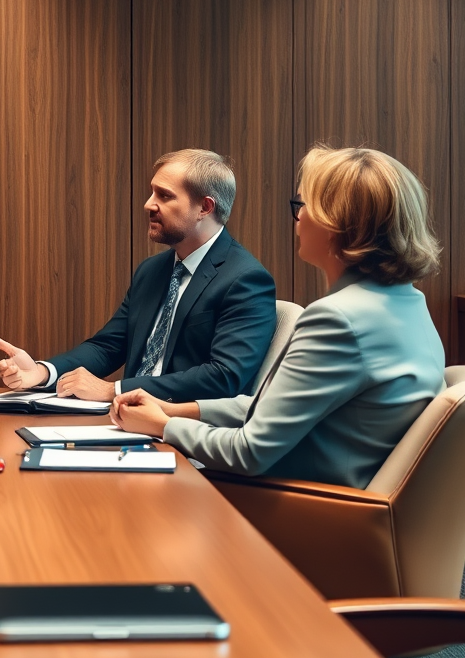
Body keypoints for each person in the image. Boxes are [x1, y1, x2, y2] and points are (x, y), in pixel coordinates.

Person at [110, 146, 445, 489]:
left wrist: (164, 427)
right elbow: (271, 409)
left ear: (340, 224)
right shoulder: (409, 303)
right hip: (341, 504)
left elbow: (249, 452)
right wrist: (175, 411)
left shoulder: (338, 320)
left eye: (304, 206)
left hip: (295, 509)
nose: (298, 217)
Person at [0, 149, 276, 403]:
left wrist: (115, 390)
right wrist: (42, 373)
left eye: (164, 196)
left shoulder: (245, 279)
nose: (148, 204)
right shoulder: (152, 270)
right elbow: (109, 346)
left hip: (182, 437)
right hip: (124, 422)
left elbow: (224, 377)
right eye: (152, 192)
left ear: (205, 207)